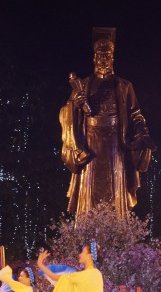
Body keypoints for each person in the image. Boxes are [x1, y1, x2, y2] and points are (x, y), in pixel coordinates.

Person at [60, 27, 155, 220]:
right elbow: (65, 113)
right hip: (90, 143)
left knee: (115, 188)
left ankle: (117, 231)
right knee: (90, 189)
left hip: (115, 143)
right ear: (94, 58)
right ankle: (88, 234)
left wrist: (141, 131)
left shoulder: (124, 86)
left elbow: (136, 114)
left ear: (113, 58)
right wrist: (75, 107)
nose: (103, 59)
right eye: (100, 55)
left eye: (108, 55)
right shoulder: (84, 85)